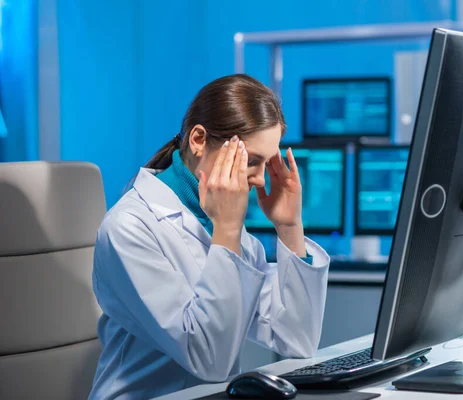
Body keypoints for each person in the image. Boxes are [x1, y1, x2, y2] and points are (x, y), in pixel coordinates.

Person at [89, 74, 330, 399]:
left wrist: (289, 227)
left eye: (267, 162)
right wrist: (228, 229)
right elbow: (209, 360)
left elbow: (297, 339)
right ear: (199, 140)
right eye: (251, 161)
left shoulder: (229, 230)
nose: (261, 180)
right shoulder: (129, 227)